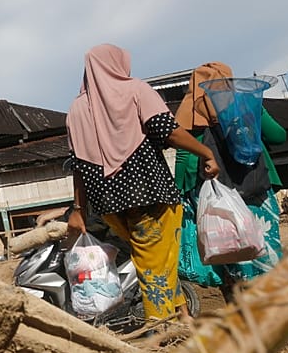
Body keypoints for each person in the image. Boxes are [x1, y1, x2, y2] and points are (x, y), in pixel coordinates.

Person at [65, 44, 219, 324]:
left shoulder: (75, 109)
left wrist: (79, 208)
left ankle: (182, 315)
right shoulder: (135, 90)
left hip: (108, 205)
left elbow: (77, 164)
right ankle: (160, 331)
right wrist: (206, 153)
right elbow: (167, 131)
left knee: (157, 259)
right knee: (154, 266)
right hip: (149, 195)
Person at [173, 62, 288, 301]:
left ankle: (240, 312)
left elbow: (183, 162)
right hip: (254, 188)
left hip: (213, 195)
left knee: (226, 251)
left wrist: (184, 196)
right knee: (263, 250)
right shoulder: (246, 104)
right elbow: (278, 136)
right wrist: (258, 112)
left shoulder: (187, 114)